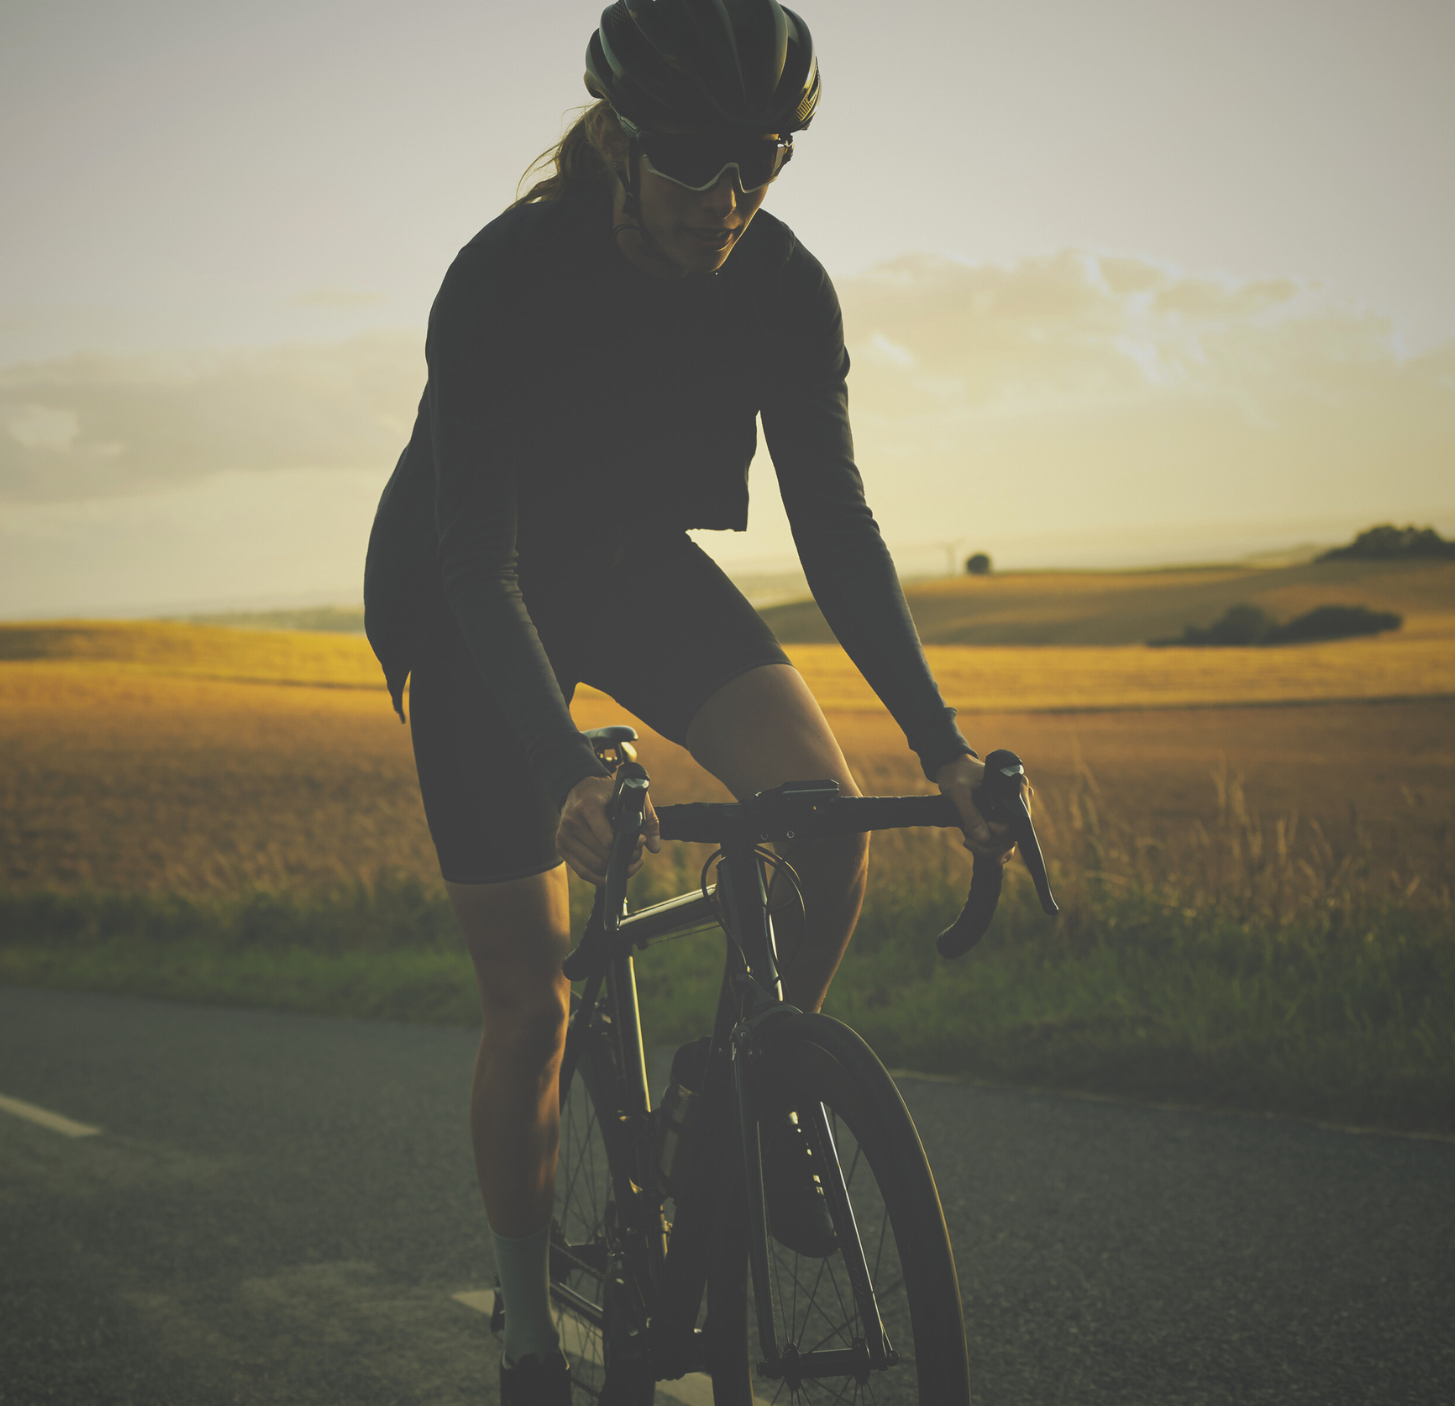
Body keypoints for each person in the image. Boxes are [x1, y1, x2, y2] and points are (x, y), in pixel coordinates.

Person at [361, 5, 1009, 1401]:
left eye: (768, 160)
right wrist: (559, 765)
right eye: (704, 163)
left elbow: (835, 526)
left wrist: (947, 747)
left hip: (629, 566)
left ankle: (757, 1093)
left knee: (823, 815)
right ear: (621, 138)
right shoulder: (503, 277)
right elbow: (480, 560)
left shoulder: (783, 284)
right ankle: (531, 1330)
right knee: (532, 1006)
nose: (735, 197)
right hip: (469, 584)